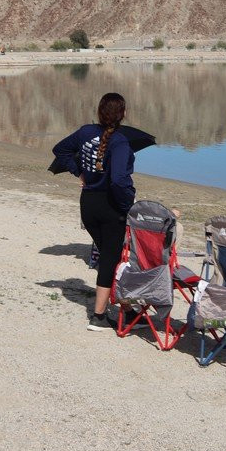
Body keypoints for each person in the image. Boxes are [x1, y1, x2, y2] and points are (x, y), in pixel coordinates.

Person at [52, 92, 135, 331]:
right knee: (111, 259)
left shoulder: (86, 132)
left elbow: (61, 150)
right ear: (123, 114)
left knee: (112, 258)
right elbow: (119, 180)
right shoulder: (120, 142)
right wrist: (128, 203)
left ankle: (126, 310)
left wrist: (80, 172)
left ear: (100, 112)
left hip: (88, 205)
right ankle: (98, 317)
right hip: (110, 207)